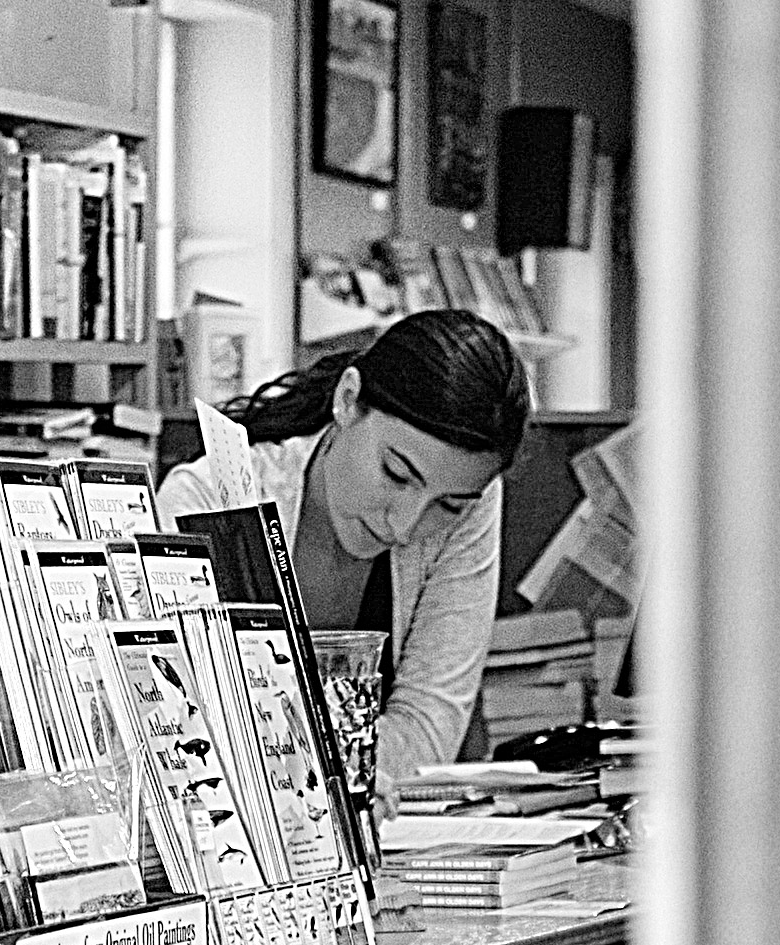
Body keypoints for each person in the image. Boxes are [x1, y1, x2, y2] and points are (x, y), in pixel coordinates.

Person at [156, 307, 529, 804]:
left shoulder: (472, 499)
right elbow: (181, 729)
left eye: (447, 505)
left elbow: (427, 724)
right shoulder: (208, 499)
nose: (404, 525)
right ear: (348, 399)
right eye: (396, 474)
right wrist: (339, 776)